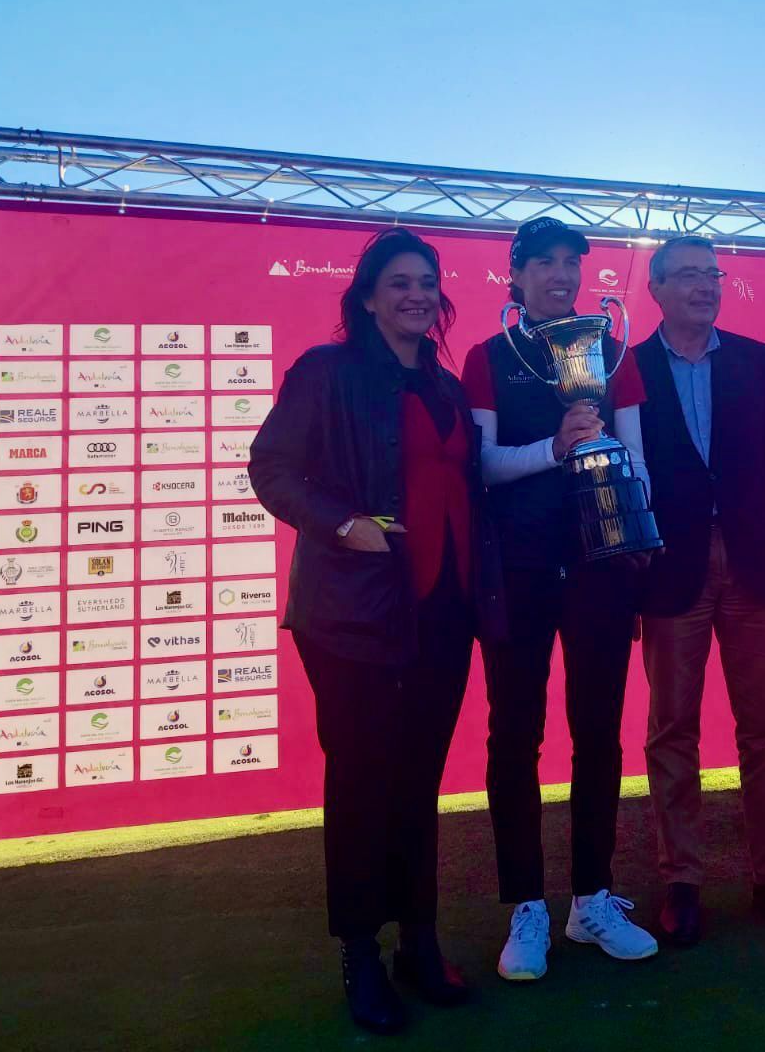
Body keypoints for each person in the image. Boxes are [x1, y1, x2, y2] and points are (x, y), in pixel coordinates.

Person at [250, 227, 502, 1036]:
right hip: (354, 615)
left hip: (443, 611)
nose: (417, 294)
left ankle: (418, 942)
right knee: (362, 783)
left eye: (427, 281)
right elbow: (272, 468)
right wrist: (341, 523)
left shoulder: (447, 384)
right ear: (366, 296)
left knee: (417, 781)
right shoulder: (325, 373)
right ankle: (361, 951)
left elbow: (469, 481)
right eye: (399, 282)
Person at [460, 216, 660, 980]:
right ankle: (526, 908)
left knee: (599, 735)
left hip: (601, 569)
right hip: (518, 570)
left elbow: (639, 462)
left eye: (570, 263)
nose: (558, 275)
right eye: (542, 263)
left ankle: (591, 898)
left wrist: (611, 468)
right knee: (514, 736)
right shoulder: (489, 359)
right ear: (515, 276)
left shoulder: (614, 354)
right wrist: (556, 447)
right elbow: (479, 466)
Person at [633, 233, 765, 947]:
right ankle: (681, 882)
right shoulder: (629, 368)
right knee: (672, 731)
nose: (705, 287)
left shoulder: (754, 359)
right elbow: (623, 481)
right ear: (654, 288)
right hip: (668, 569)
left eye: (712, 275)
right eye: (687, 275)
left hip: (753, 562)